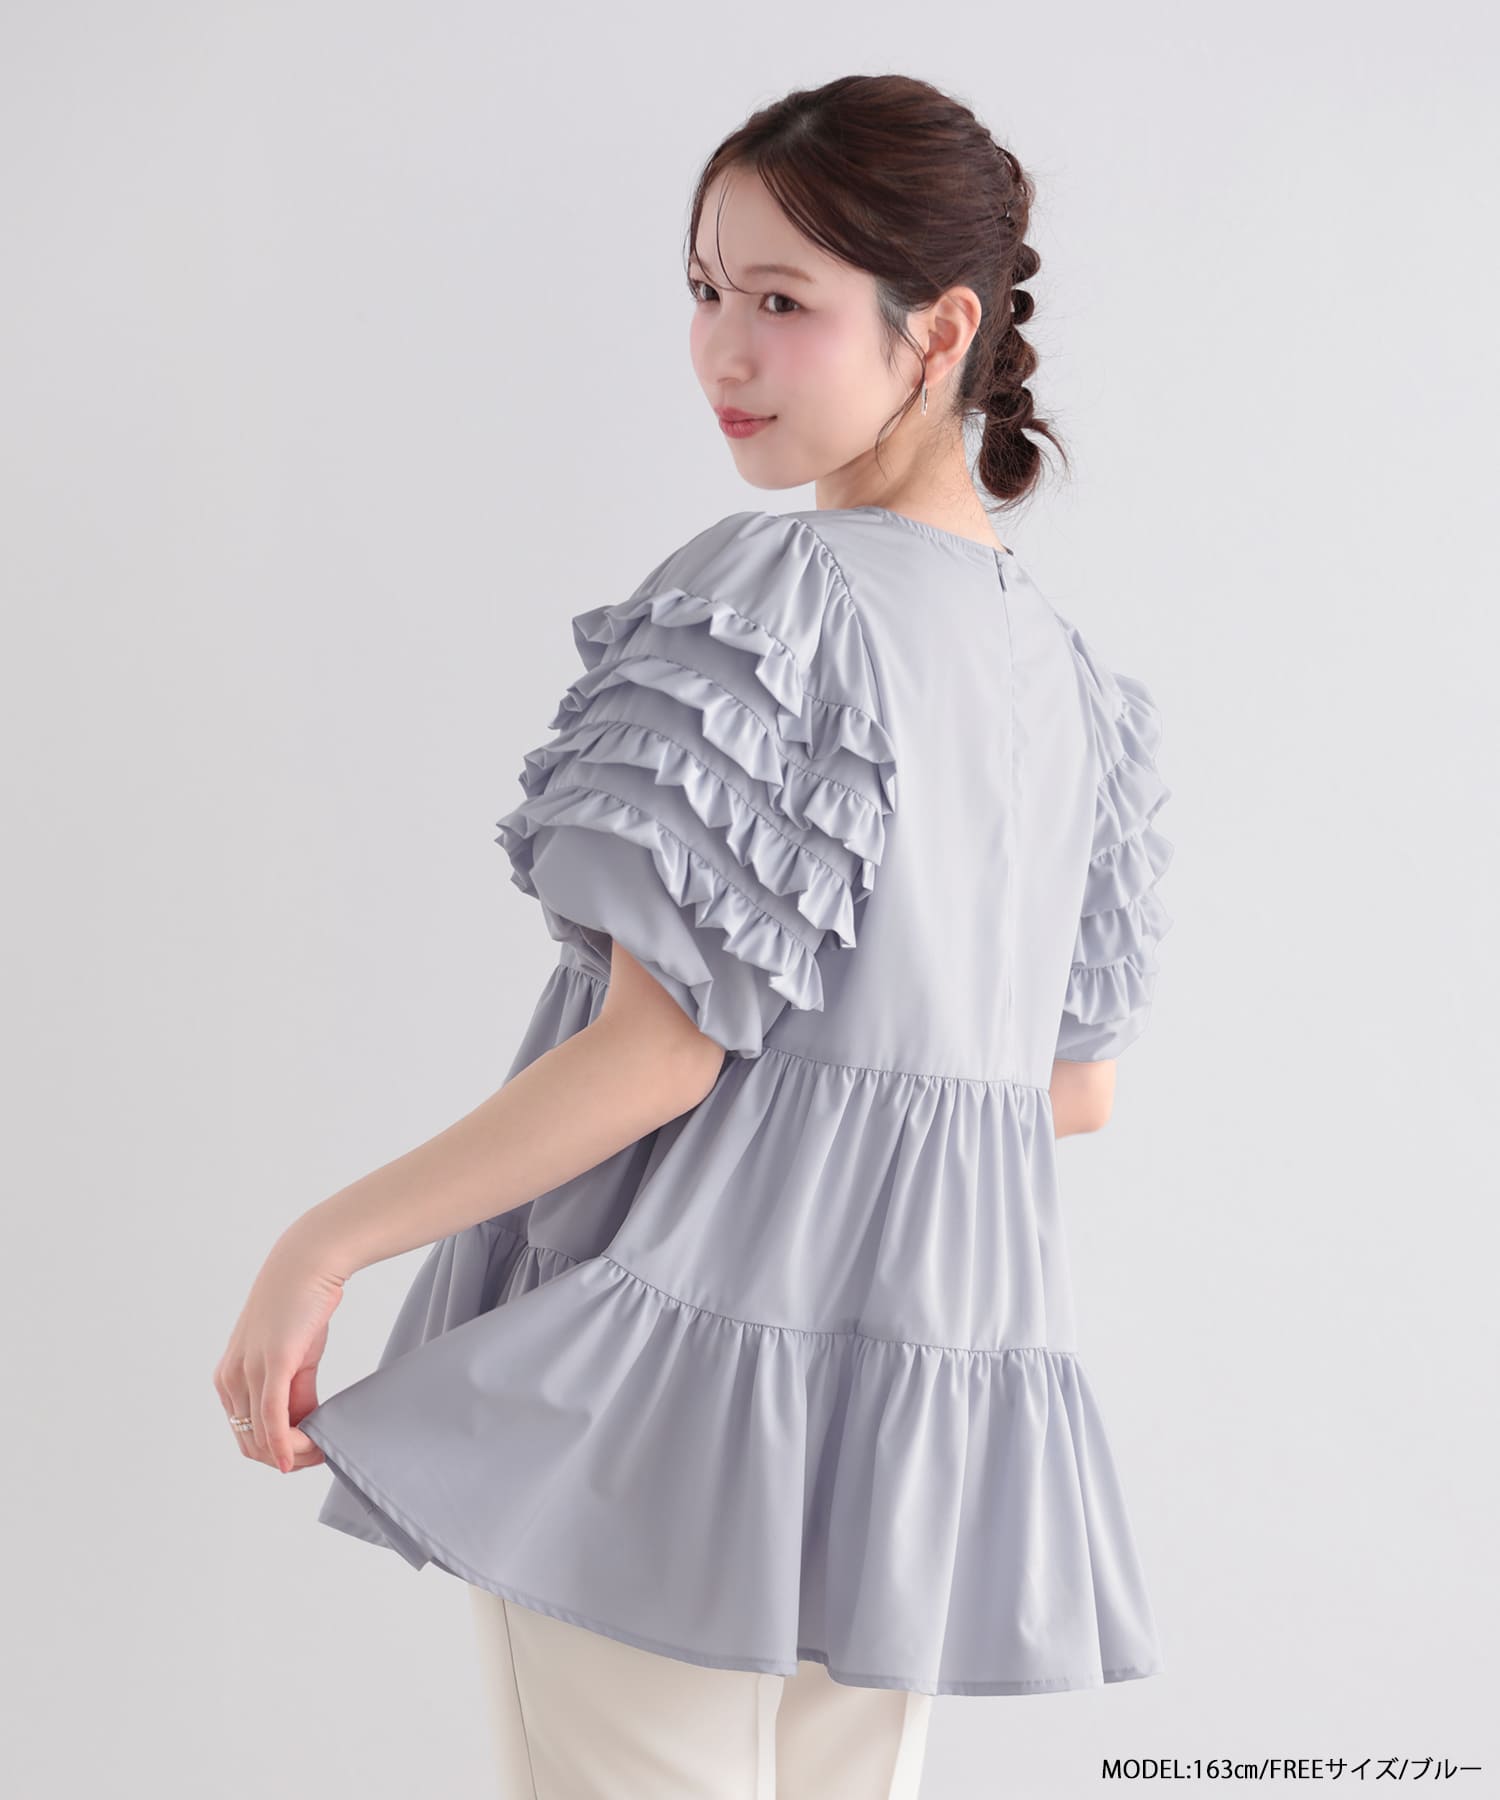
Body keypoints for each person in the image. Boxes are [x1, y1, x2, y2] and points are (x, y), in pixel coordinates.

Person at [214, 73, 1176, 1799]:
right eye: (705, 289)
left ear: (940, 328)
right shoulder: (1076, 687)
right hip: (911, 1424)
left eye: (783, 302)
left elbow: (660, 1054)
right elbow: (1069, 1090)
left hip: (672, 1400)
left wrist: (323, 1243)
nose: (724, 350)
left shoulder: (781, 595)